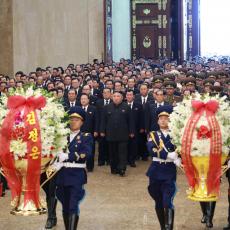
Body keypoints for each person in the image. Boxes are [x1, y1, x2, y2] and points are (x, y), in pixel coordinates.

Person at [54, 106, 93, 230]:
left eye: (76, 119)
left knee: (73, 204)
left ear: (82, 122)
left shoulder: (86, 136)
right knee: (65, 204)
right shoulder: (61, 136)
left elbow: (86, 154)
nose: (73, 122)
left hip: (76, 174)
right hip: (61, 173)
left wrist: (68, 156)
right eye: (71, 119)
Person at [146, 105, 181, 230]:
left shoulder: (176, 135)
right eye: (161, 118)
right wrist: (168, 154)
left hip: (169, 171)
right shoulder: (153, 134)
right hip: (155, 171)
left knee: (168, 201)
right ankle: (163, 227)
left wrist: (179, 157)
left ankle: (168, 228)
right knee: (158, 201)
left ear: (170, 120)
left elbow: (180, 149)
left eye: (166, 118)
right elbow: (152, 150)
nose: (163, 120)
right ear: (157, 120)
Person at [100, 91, 135, 176]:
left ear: (122, 98)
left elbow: (131, 121)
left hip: (123, 135)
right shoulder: (106, 107)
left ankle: (122, 169)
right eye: (114, 96)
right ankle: (114, 168)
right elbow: (103, 121)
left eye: (118, 96)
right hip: (111, 134)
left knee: (122, 153)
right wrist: (102, 131)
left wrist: (132, 131)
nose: (116, 98)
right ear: (112, 97)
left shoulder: (126, 107)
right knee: (112, 153)